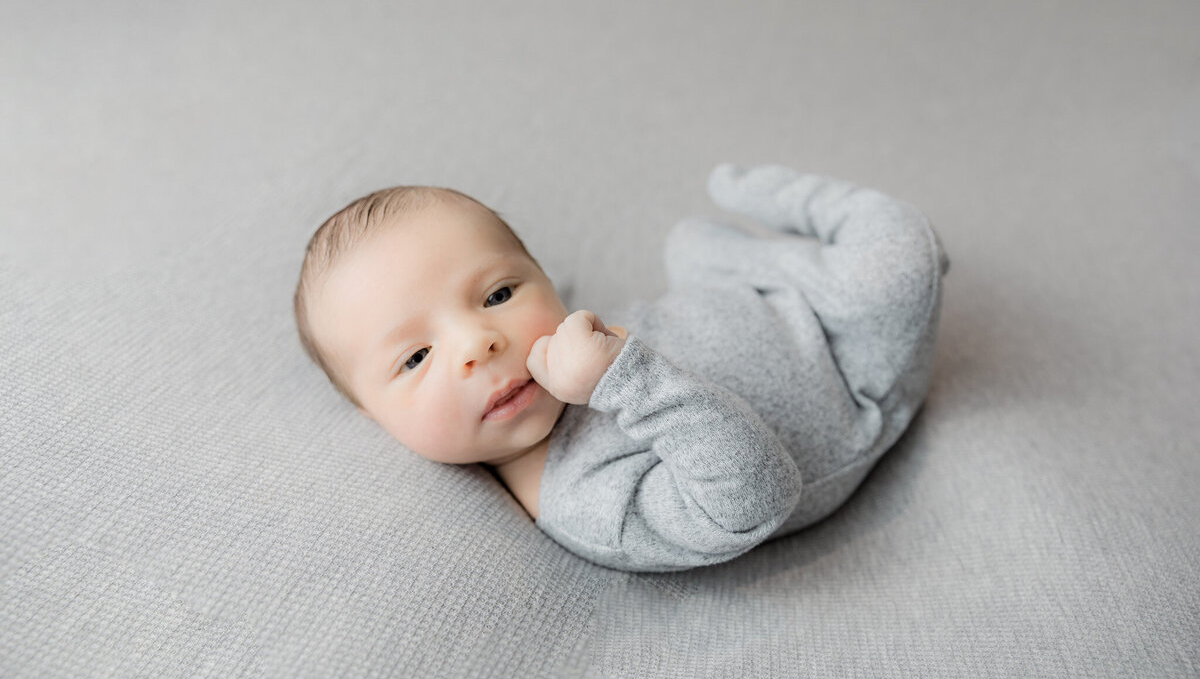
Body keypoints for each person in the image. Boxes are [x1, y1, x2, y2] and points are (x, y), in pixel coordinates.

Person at [293, 165, 949, 572]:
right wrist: (624, 381)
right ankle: (768, 205)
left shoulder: (566, 344)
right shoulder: (586, 502)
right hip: (849, 376)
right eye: (415, 357)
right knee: (903, 260)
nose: (478, 342)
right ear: (371, 415)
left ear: (546, 282)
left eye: (498, 295)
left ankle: (722, 258)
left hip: (738, 306)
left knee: (694, 247)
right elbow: (757, 497)